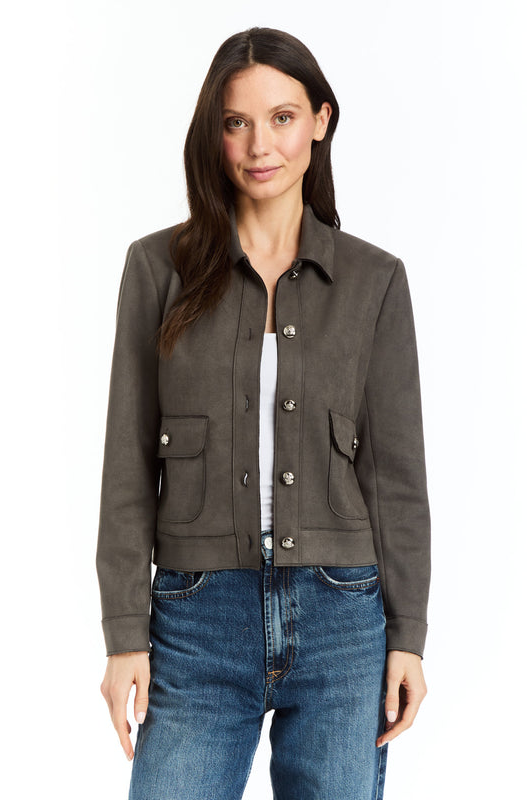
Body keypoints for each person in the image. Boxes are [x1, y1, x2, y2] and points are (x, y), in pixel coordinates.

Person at [96, 26, 431, 800]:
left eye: (281, 117)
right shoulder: (157, 269)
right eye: (235, 122)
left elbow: (396, 478)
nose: (259, 145)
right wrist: (123, 635)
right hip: (195, 620)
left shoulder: (374, 281)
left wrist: (407, 635)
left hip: (343, 618)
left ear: (319, 120)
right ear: (212, 132)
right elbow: (126, 465)